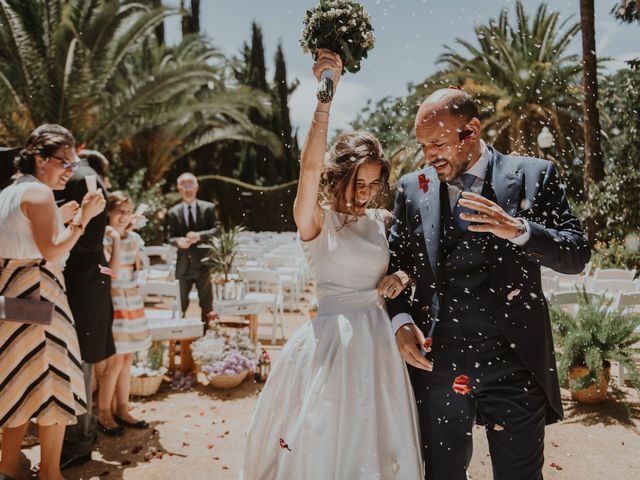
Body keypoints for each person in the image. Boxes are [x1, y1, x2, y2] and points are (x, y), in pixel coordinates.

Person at [387, 87, 591, 479]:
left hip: (514, 362)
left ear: (472, 130)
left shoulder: (534, 175)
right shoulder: (413, 189)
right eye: (423, 146)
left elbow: (578, 254)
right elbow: (394, 265)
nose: (429, 156)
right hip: (437, 361)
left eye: (438, 144)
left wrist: (518, 230)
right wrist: (400, 322)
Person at [241, 50, 423, 480]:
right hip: (329, 345)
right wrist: (326, 96)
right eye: (359, 182)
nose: (366, 193)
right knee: (325, 443)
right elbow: (307, 168)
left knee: (377, 449)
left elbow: (413, 262)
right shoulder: (316, 220)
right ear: (339, 174)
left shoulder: (383, 221)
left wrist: (403, 275)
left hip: (379, 346)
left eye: (375, 184)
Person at [0, 124, 105, 480]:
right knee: (53, 384)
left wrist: (59, 220)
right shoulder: (40, 194)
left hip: (10, 296)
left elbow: (21, 242)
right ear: (40, 159)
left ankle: (9, 466)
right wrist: (81, 220)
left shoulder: (7, 193)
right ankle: (50, 474)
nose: (69, 170)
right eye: (64, 161)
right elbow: (51, 251)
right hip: (40, 292)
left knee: (16, 380)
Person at [57, 149, 115, 468]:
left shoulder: (80, 178)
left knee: (77, 358)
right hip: (91, 277)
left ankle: (78, 440)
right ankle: (80, 435)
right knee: (82, 358)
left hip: (81, 278)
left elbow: (88, 239)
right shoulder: (91, 178)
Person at [96, 191, 151, 436]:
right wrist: (116, 240)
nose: (124, 217)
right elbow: (110, 271)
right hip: (113, 300)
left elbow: (141, 266)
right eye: (119, 211)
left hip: (132, 300)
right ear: (109, 212)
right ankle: (103, 412)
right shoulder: (104, 238)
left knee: (128, 358)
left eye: (128, 212)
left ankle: (123, 407)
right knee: (115, 358)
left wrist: (140, 277)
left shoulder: (135, 239)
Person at [167, 173, 217, 329]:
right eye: (184, 186)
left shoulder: (209, 208)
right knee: (180, 304)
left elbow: (217, 230)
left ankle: (206, 339)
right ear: (179, 189)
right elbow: (169, 237)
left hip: (204, 265)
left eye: (190, 185)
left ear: (196, 187)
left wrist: (199, 236)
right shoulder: (173, 212)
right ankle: (179, 341)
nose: (188, 189)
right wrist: (178, 242)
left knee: (207, 306)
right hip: (183, 266)